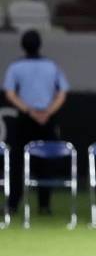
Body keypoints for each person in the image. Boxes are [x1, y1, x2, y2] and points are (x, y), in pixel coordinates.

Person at [3, 29, 69, 215]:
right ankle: (44, 205)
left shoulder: (16, 67)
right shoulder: (51, 66)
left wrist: (30, 111)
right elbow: (62, 93)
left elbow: (10, 93)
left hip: (25, 119)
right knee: (45, 162)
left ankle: (13, 204)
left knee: (17, 162)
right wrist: (47, 112)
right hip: (47, 120)